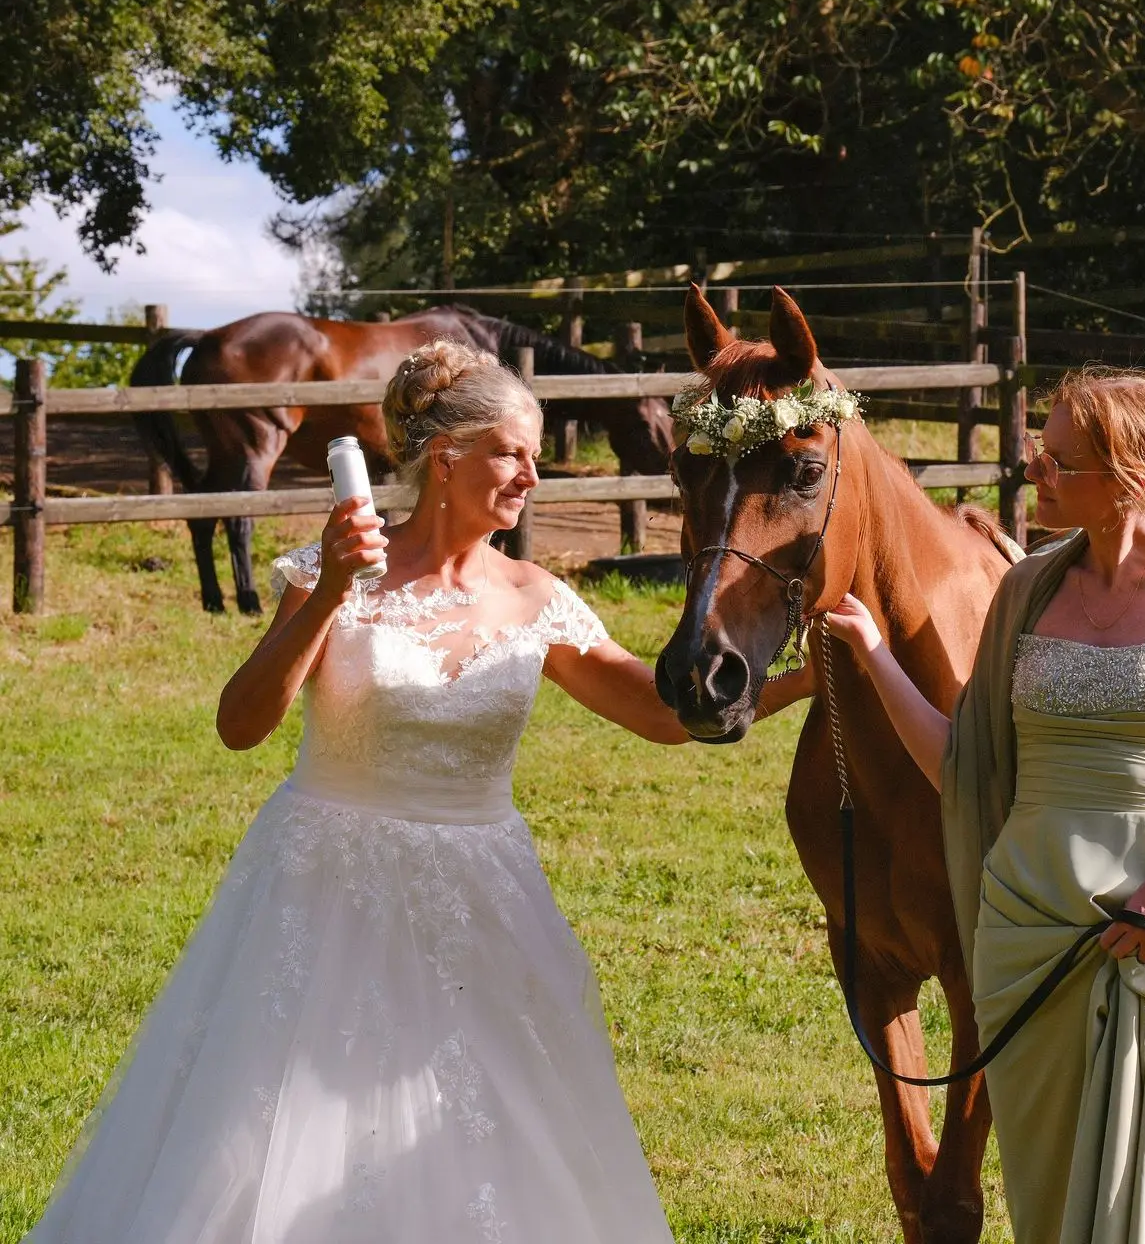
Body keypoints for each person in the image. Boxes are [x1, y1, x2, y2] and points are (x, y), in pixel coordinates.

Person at [27, 341, 808, 1243]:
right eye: (514, 453)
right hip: (323, 891)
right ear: (446, 457)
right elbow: (240, 724)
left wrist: (800, 680)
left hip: (483, 899)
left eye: (537, 456)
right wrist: (327, 598)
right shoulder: (326, 575)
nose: (534, 476)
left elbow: (665, 717)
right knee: (277, 1131)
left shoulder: (533, 596)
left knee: (486, 1126)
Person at [822, 369, 1145, 1244]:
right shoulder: (1026, 588)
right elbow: (966, 766)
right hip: (1027, 927)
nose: (1035, 469)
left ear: (1133, 473)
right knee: (1047, 1195)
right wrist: (877, 655)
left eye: (1059, 458)